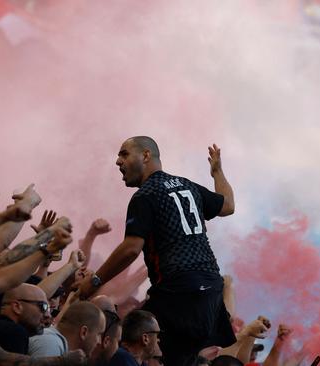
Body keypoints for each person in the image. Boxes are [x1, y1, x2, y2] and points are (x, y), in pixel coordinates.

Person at [78, 136, 236, 365]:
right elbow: (228, 205)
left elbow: (131, 249)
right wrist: (217, 173)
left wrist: (94, 281)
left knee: (129, 344)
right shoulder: (188, 185)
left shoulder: (145, 195)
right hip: (211, 290)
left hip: (178, 292)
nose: (118, 162)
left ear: (145, 155)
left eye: (124, 154)